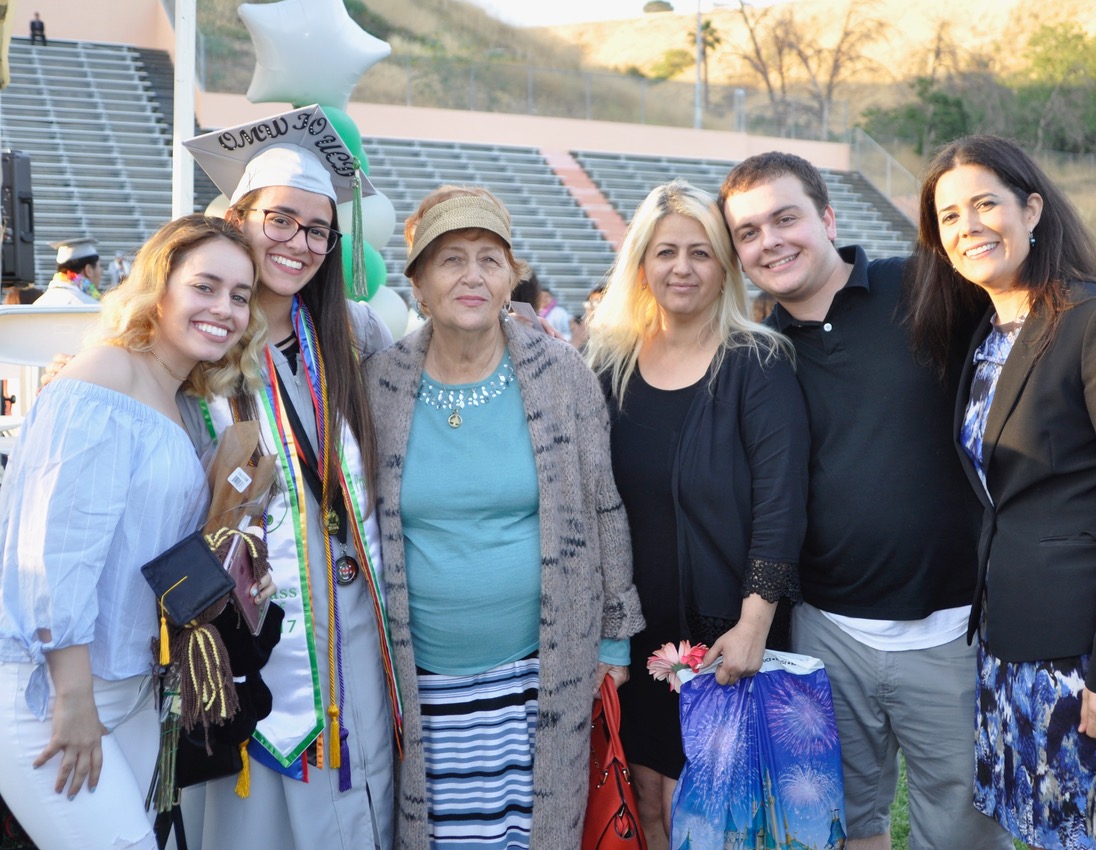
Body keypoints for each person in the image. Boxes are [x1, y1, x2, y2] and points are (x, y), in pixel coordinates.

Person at [718, 152, 1010, 850]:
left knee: (965, 829)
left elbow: (1039, 317)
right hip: (827, 636)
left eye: (785, 218)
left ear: (826, 217)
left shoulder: (924, 283)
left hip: (953, 628)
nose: (770, 241)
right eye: (749, 232)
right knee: (843, 827)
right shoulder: (758, 352)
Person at [911, 134, 1096, 849]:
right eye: (949, 216)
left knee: (1075, 838)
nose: (968, 227)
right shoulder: (985, 333)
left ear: (1032, 209)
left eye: (985, 204)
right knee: (1025, 827)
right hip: (1003, 640)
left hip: (1082, 654)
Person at [364, 185, 645, 849]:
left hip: (540, 672)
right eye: (451, 259)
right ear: (419, 284)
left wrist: (613, 638)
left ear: (511, 278)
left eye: (490, 260)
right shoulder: (380, 382)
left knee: (536, 831)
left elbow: (603, 503)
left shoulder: (561, 373)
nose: (472, 275)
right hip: (422, 678)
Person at [0, 215, 267, 850]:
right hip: (51, 689)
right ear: (158, 285)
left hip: (133, 684)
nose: (224, 309)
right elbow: (54, 555)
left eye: (239, 295)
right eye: (205, 286)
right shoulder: (104, 379)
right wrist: (72, 698)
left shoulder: (177, 394)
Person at [182, 106, 399, 850]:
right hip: (251, 640)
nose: (298, 244)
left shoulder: (353, 337)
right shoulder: (195, 354)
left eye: (317, 230)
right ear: (236, 217)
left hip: (357, 637)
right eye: (280, 220)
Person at [585, 179, 807, 847]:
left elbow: (782, 502)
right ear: (641, 263)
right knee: (648, 797)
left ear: (725, 266)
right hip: (637, 630)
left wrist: (753, 623)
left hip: (723, 632)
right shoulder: (608, 366)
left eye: (701, 253)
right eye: (665, 252)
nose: (682, 268)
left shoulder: (759, 362)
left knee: (712, 810)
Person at [38, 238, 102, 305]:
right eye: (100, 266)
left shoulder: (38, 304)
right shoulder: (91, 306)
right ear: (88, 270)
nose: (101, 271)